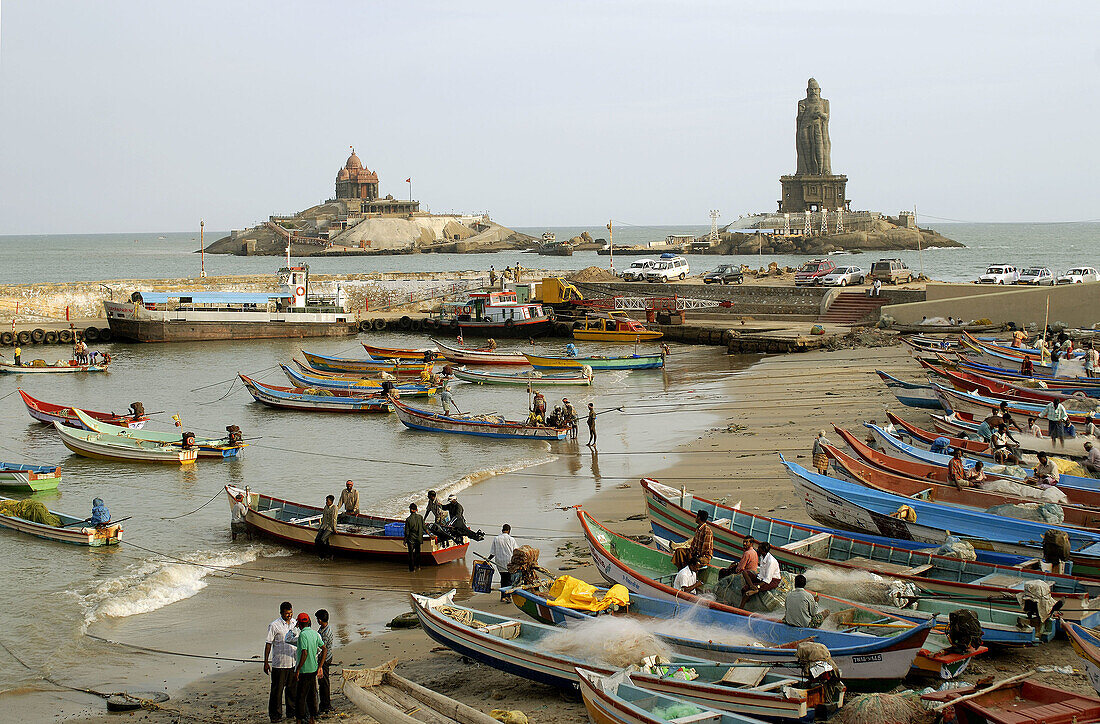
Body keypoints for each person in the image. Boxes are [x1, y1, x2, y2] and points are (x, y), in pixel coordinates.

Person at [264, 601, 299, 723]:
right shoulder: (274, 625)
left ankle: (291, 712)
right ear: (281, 613)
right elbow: (268, 644)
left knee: (291, 690)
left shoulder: (295, 623)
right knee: (276, 692)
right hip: (279, 664)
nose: (289, 616)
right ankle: (275, 715)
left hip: (292, 662)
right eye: (286, 614)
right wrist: (265, 662)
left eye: (290, 613)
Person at [291, 612, 326, 724]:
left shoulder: (302, 635)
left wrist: (298, 669)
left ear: (299, 624)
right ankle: (312, 718)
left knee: (301, 696)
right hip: (313, 669)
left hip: (304, 670)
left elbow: (304, 653)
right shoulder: (315, 634)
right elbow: (324, 649)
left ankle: (299, 720)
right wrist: (320, 666)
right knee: (311, 695)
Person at [673, 510, 713, 580]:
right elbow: (693, 544)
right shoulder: (698, 529)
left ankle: (689, 576)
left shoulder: (707, 530)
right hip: (695, 553)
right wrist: (691, 553)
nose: (695, 518)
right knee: (679, 551)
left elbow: (705, 549)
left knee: (693, 561)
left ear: (699, 518)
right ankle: (681, 573)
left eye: (696, 516)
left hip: (704, 556)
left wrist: (694, 556)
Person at [741, 542, 780, 607]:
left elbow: (768, 579)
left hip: (772, 581)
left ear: (763, 550)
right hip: (762, 578)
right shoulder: (762, 557)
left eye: (759, 548)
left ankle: (740, 609)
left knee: (746, 591)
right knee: (745, 572)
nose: (757, 549)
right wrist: (754, 583)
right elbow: (761, 575)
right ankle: (752, 587)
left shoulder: (771, 561)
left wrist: (758, 586)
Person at [489, 524, 518, 601]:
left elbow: (492, 553)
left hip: (499, 562)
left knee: (503, 579)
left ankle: (503, 597)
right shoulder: (511, 539)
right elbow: (516, 551)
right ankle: (507, 596)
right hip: (509, 562)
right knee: (509, 580)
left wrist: (487, 560)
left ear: (502, 530)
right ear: (509, 531)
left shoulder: (496, 539)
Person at [315, 609, 334, 715]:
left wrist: (320, 666)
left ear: (320, 620)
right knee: (322, 682)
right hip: (324, 658)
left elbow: (323, 650)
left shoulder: (326, 632)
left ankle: (326, 705)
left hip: (325, 659)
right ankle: (323, 704)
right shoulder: (323, 628)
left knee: (324, 682)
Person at [404, 503, 426, 572]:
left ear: (410, 510)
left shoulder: (408, 519)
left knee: (411, 554)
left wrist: (405, 540)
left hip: (411, 539)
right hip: (419, 538)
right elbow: (424, 527)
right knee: (418, 553)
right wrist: (430, 535)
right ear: (416, 510)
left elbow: (407, 532)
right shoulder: (420, 517)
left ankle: (412, 569)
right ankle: (418, 566)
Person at [315, 495, 337, 560]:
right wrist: (321, 527)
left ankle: (328, 554)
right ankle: (321, 554)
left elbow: (334, 519)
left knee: (322, 540)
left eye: (328, 501)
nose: (326, 502)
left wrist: (334, 528)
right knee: (317, 540)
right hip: (324, 526)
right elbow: (324, 518)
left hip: (330, 527)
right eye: (326, 501)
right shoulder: (325, 507)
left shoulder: (334, 508)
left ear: (331, 501)